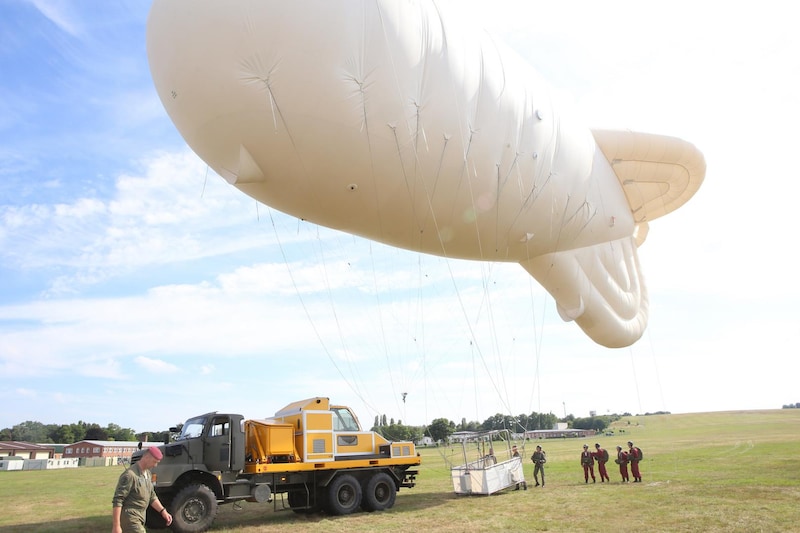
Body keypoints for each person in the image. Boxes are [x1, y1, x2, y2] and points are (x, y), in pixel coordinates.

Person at [112, 446, 173, 533]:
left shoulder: (148, 474)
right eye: (154, 462)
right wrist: (116, 526)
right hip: (130, 516)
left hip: (141, 516)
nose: (155, 465)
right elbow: (118, 500)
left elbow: (152, 496)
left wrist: (163, 511)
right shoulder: (130, 475)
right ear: (146, 457)